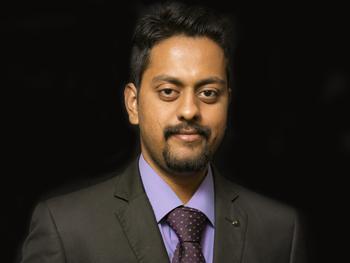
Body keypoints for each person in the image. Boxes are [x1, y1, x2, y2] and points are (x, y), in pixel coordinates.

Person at [19, 1, 307, 262]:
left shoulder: (280, 231)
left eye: (208, 93)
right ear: (133, 104)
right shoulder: (65, 229)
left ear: (228, 101)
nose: (190, 110)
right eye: (168, 91)